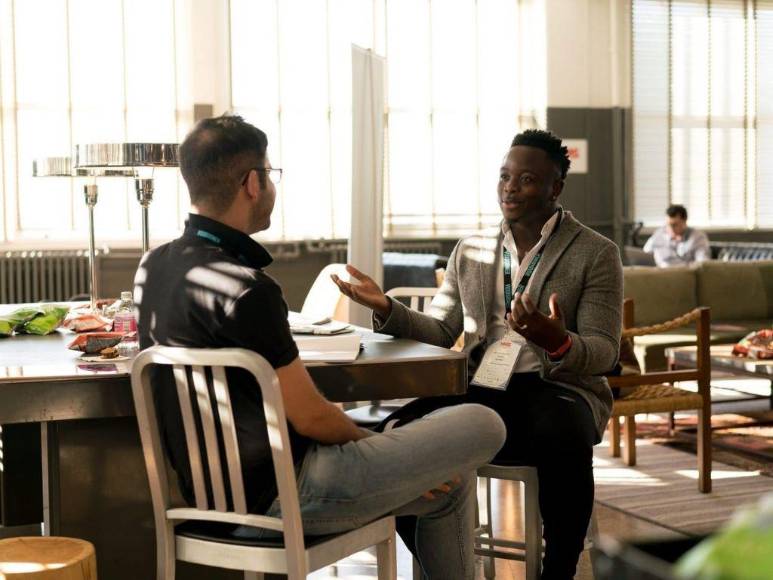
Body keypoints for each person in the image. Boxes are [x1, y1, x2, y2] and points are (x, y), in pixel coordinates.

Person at [133, 115, 506, 579]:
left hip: (205, 502)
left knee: (450, 484)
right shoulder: (249, 289)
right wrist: (378, 444)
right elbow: (311, 417)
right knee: (484, 421)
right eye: (270, 174)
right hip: (288, 496)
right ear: (252, 183)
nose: (271, 186)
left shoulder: (153, 266)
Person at [333, 129, 623, 580]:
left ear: (555, 188)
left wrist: (557, 341)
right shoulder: (470, 250)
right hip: (483, 387)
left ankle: (559, 570)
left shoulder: (596, 252)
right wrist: (388, 308)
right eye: (505, 176)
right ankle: (443, 567)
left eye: (526, 179)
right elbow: (441, 330)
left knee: (562, 432)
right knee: (401, 433)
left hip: (558, 389)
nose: (510, 188)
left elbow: (605, 352)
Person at [643, 204, 711, 267]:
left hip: (684, 272)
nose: (670, 228)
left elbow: (702, 263)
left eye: (674, 225)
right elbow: (644, 253)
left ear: (684, 221)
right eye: (668, 225)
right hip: (659, 272)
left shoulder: (697, 237)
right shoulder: (660, 234)